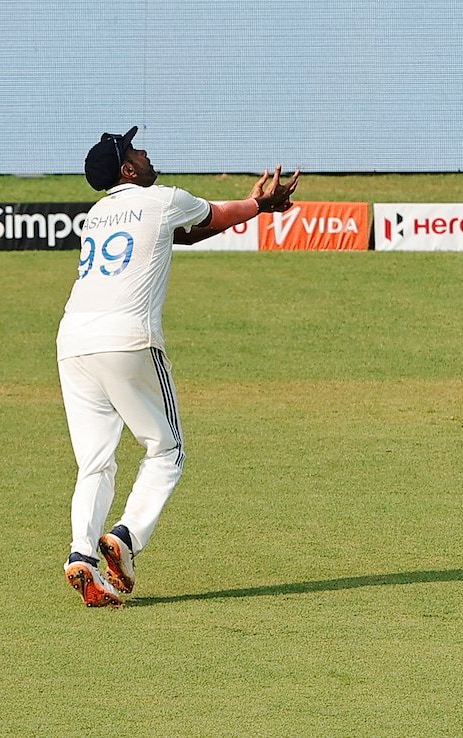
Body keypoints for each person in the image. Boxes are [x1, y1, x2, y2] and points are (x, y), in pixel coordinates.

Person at [58, 126, 299, 607]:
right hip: (128, 339)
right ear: (128, 169)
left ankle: (81, 558)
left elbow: (185, 237)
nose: (146, 153)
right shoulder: (162, 198)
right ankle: (124, 540)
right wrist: (260, 205)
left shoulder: (96, 215)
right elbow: (216, 214)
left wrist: (246, 208)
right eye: (136, 150)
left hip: (72, 342)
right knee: (167, 450)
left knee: (95, 462)